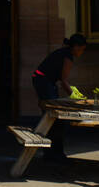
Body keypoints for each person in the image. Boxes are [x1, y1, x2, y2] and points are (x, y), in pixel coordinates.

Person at [32, 33, 87, 162]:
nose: (81, 53)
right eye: (81, 49)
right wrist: (76, 99)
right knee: (54, 116)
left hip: (44, 81)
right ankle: (53, 153)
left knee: (54, 117)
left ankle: (54, 152)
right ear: (76, 47)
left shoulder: (64, 52)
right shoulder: (68, 57)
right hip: (43, 82)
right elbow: (64, 81)